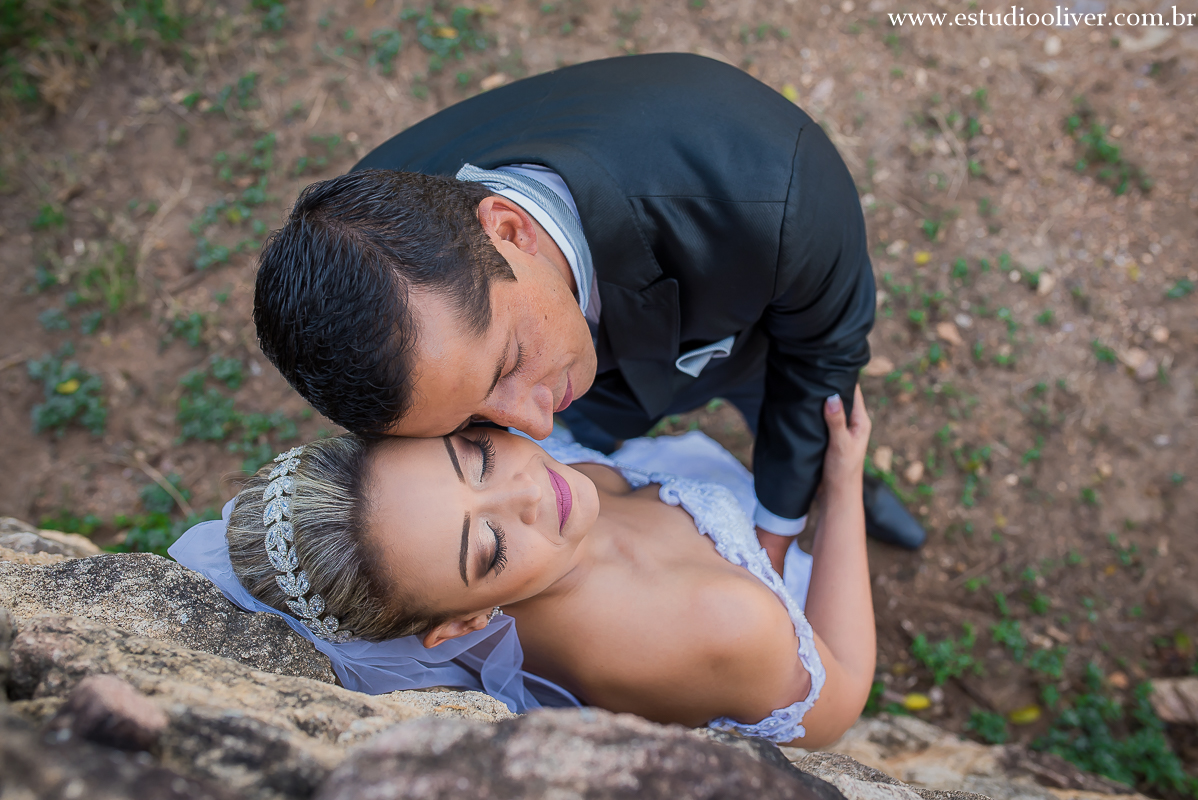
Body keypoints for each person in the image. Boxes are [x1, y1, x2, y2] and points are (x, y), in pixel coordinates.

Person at [252, 53, 925, 573]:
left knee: (800, 422)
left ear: (511, 230)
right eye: (471, 424)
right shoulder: (361, 245)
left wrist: (776, 534)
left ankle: (851, 499)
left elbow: (820, 363)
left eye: (509, 361)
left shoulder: (776, 199)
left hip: (747, 343)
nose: (538, 424)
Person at [172, 388, 876, 747]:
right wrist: (844, 486)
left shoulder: (547, 508)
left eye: (474, 458)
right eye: (488, 548)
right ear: (466, 623)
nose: (532, 490)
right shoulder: (720, 624)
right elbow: (837, 700)